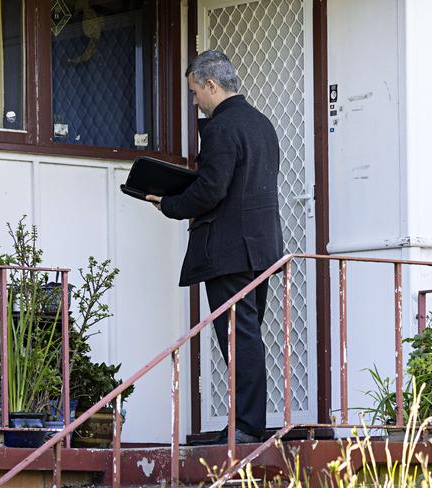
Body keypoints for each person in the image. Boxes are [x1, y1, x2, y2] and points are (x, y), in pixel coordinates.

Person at [146, 50, 283, 444]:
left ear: (211, 84)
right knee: (248, 335)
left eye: (194, 92)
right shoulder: (262, 124)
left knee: (238, 339)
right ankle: (246, 424)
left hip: (228, 251)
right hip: (262, 248)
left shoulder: (221, 128)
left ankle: (245, 428)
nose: (194, 103)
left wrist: (169, 203)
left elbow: (212, 189)